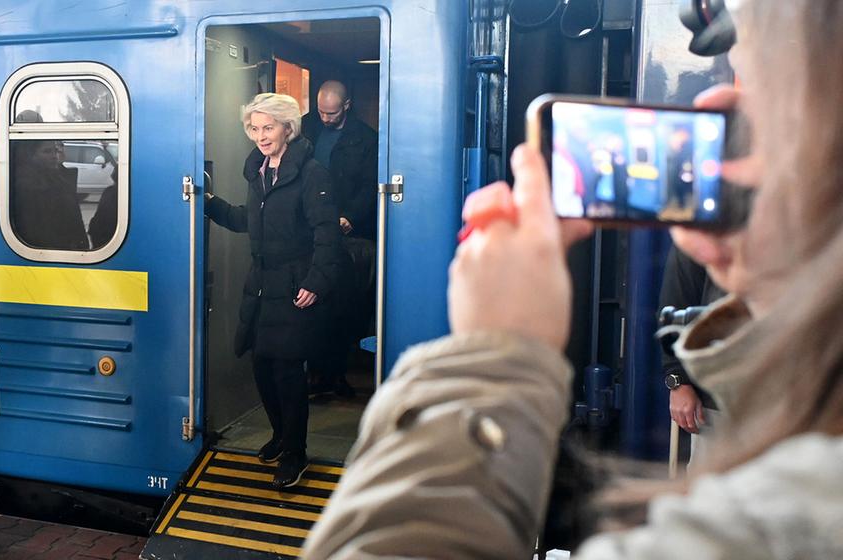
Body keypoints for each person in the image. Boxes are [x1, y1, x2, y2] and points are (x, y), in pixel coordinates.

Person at [303, 1, 843, 557]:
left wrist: (490, 357)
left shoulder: (773, 526)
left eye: (756, 81)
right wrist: (788, 286)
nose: (722, 97)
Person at [205, 93, 342, 488]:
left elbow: (326, 233)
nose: (260, 136)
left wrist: (316, 282)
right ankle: (281, 436)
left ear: (288, 128)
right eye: (254, 128)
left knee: (286, 372)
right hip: (262, 284)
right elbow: (248, 220)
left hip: (295, 284)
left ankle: (296, 454)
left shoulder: (312, 173)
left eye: (268, 127)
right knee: (261, 367)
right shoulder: (259, 172)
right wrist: (209, 203)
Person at [300, 80, 378, 399]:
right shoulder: (305, 127)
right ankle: (318, 375)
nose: (326, 118)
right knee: (313, 307)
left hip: (347, 234)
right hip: (311, 231)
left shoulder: (367, 140)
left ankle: (336, 374)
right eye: (321, 111)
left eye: (332, 112)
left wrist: (350, 217)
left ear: (347, 106)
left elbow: (371, 185)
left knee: (343, 308)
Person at [659, 246, 725, 463]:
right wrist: (678, 381)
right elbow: (676, 301)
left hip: (793, 400)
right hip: (718, 400)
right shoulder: (710, 226)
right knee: (714, 489)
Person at [9, 138, 91, 250]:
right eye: (47, 151)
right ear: (31, 155)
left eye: (55, 151)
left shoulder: (58, 178)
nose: (54, 156)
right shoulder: (27, 186)